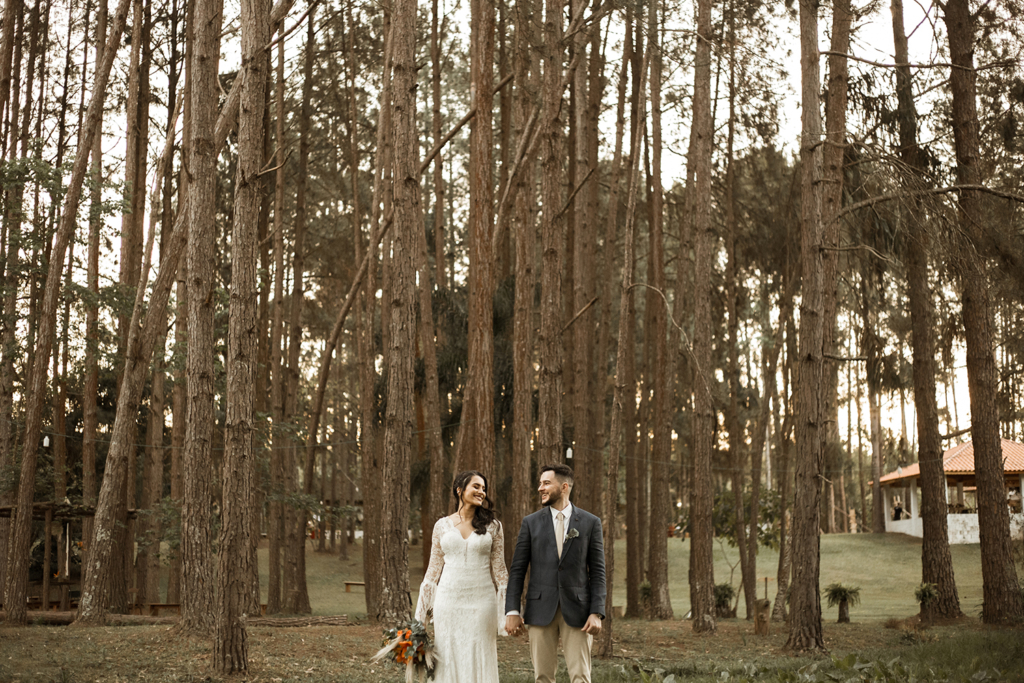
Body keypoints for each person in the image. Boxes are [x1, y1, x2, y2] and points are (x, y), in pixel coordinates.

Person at [505, 463, 606, 683]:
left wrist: (596, 612)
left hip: (579, 611)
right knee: (542, 677)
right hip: (539, 609)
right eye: (539, 483)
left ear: (564, 487)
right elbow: (517, 570)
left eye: (546, 483)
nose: (540, 488)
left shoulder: (590, 523)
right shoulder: (530, 523)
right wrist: (512, 610)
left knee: (580, 676)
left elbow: (598, 572)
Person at [414, 471, 509, 683]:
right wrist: (419, 620)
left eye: (483, 488)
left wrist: (506, 615)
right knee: (447, 657)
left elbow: (501, 573)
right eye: (476, 486)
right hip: (447, 603)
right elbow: (432, 573)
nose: (481, 492)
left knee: (480, 654)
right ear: (459, 490)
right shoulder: (441, 526)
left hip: (482, 603)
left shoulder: (494, 526)